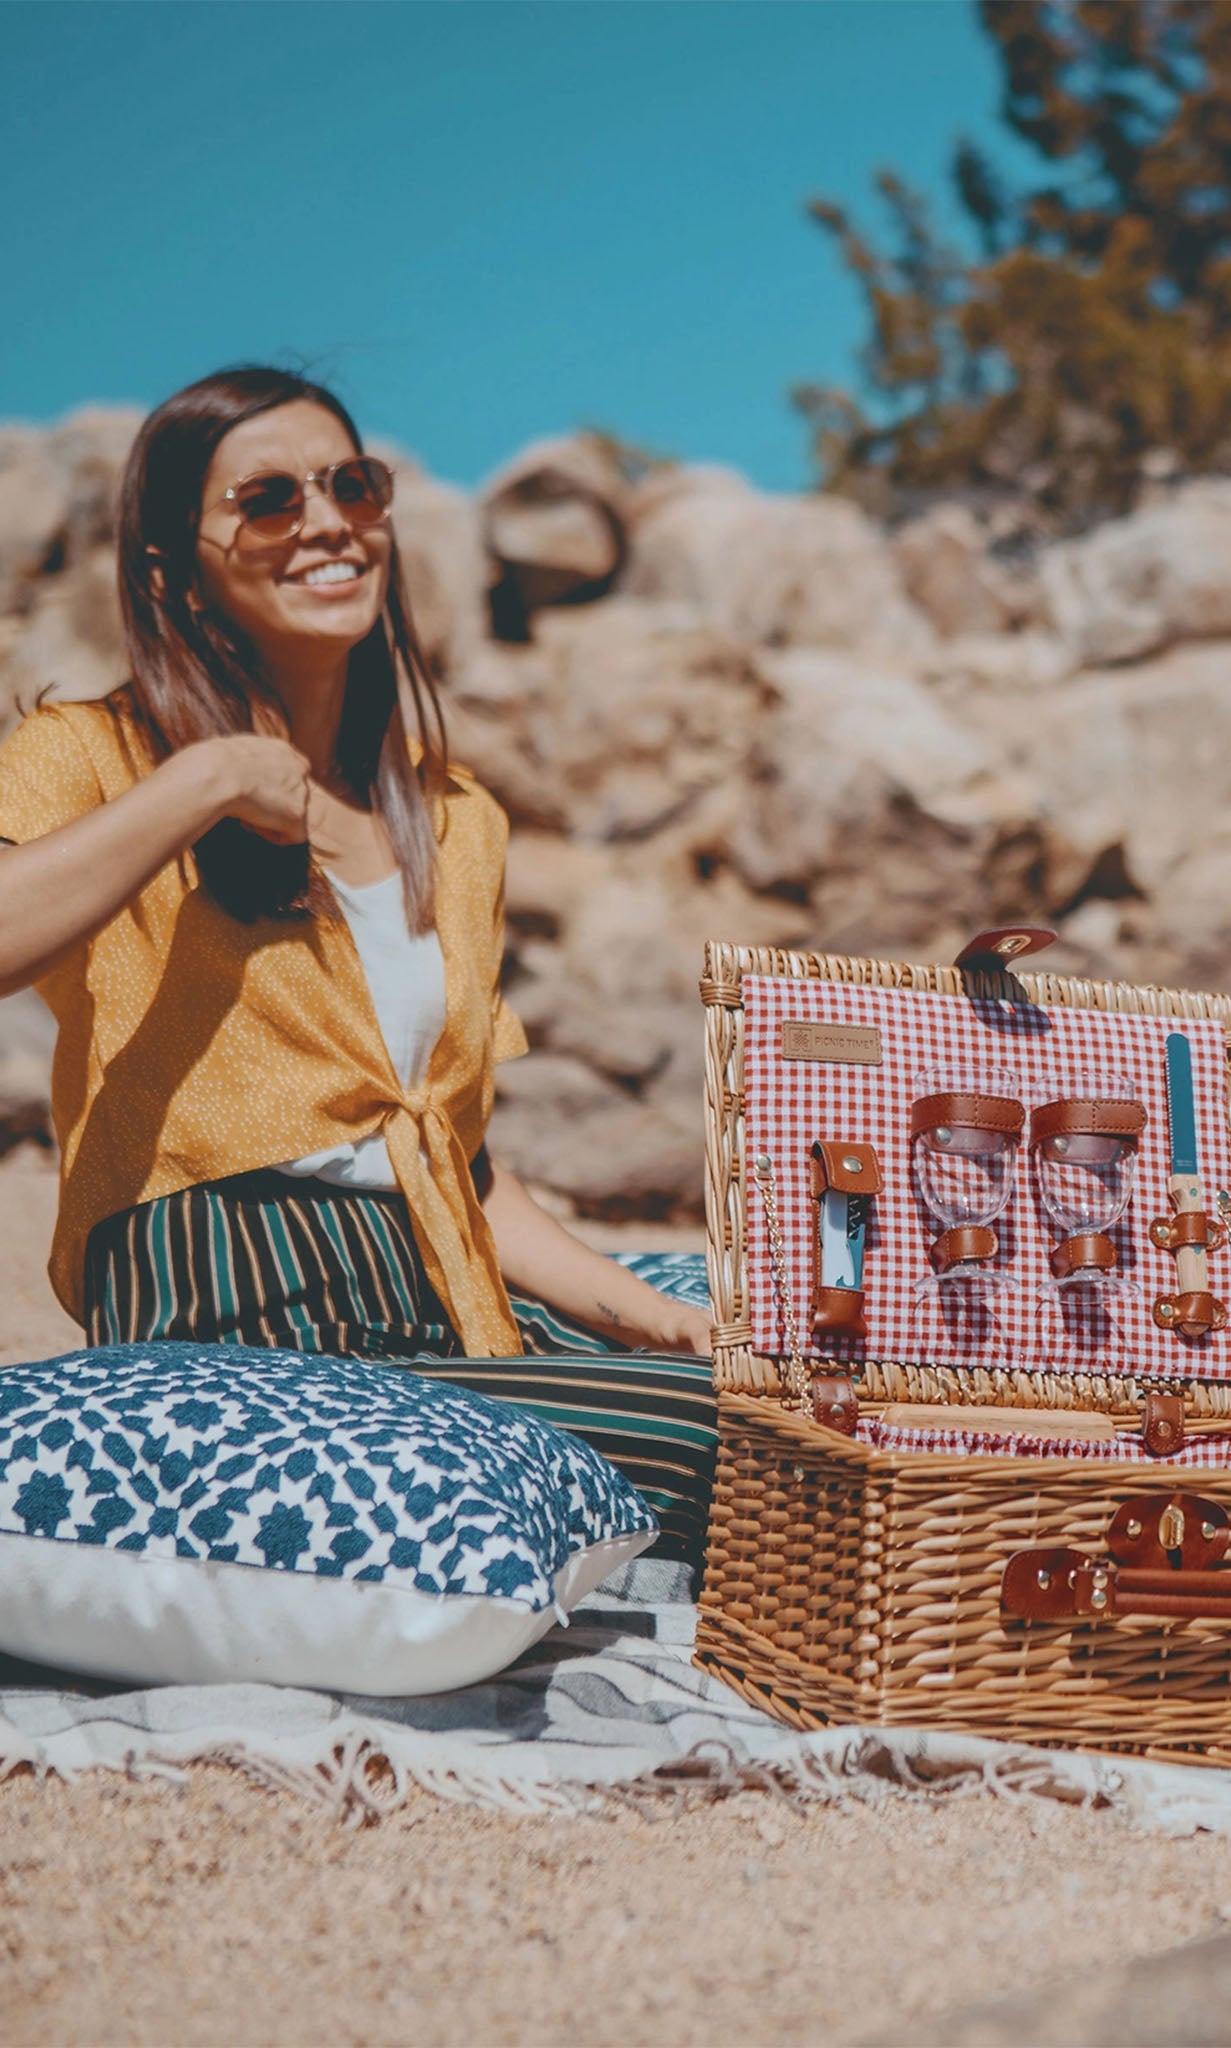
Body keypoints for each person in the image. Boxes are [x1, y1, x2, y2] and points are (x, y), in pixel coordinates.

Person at [0, 366, 717, 1562]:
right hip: (239, 1299)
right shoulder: (92, 753)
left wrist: (657, 1317)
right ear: (172, 566)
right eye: (268, 499)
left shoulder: (455, 819)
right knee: (737, 1441)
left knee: (781, 1369)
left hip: (437, 1287)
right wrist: (207, 779)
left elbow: (452, 1161)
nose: (328, 521)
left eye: (352, 485)